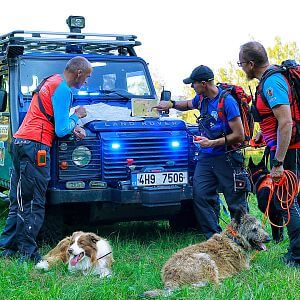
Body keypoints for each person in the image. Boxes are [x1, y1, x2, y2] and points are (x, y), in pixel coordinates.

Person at [0, 56, 92, 263]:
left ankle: (9, 248)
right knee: (34, 202)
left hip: (21, 141)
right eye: (87, 76)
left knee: (18, 200)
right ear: (78, 73)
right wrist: (77, 116)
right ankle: (28, 254)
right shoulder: (64, 89)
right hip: (36, 146)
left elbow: (51, 117)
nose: (86, 82)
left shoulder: (51, 81)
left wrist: (71, 125)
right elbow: (60, 129)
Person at [154, 65, 249, 239]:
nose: (192, 87)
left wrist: (212, 142)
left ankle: (247, 238)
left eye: (194, 83)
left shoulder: (227, 102)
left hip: (227, 158)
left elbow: (239, 135)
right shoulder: (201, 99)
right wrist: (172, 104)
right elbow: (188, 104)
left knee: (235, 202)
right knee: (201, 195)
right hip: (207, 158)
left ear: (204, 83)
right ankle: (214, 237)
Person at [239, 41, 300, 267]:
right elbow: (272, 121)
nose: (242, 68)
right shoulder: (270, 79)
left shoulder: (272, 82)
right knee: (292, 201)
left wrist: (278, 162)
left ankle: (297, 256)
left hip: (290, 151)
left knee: (287, 202)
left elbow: (285, 123)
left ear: (251, 64)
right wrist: (262, 138)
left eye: (241, 64)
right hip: (287, 148)